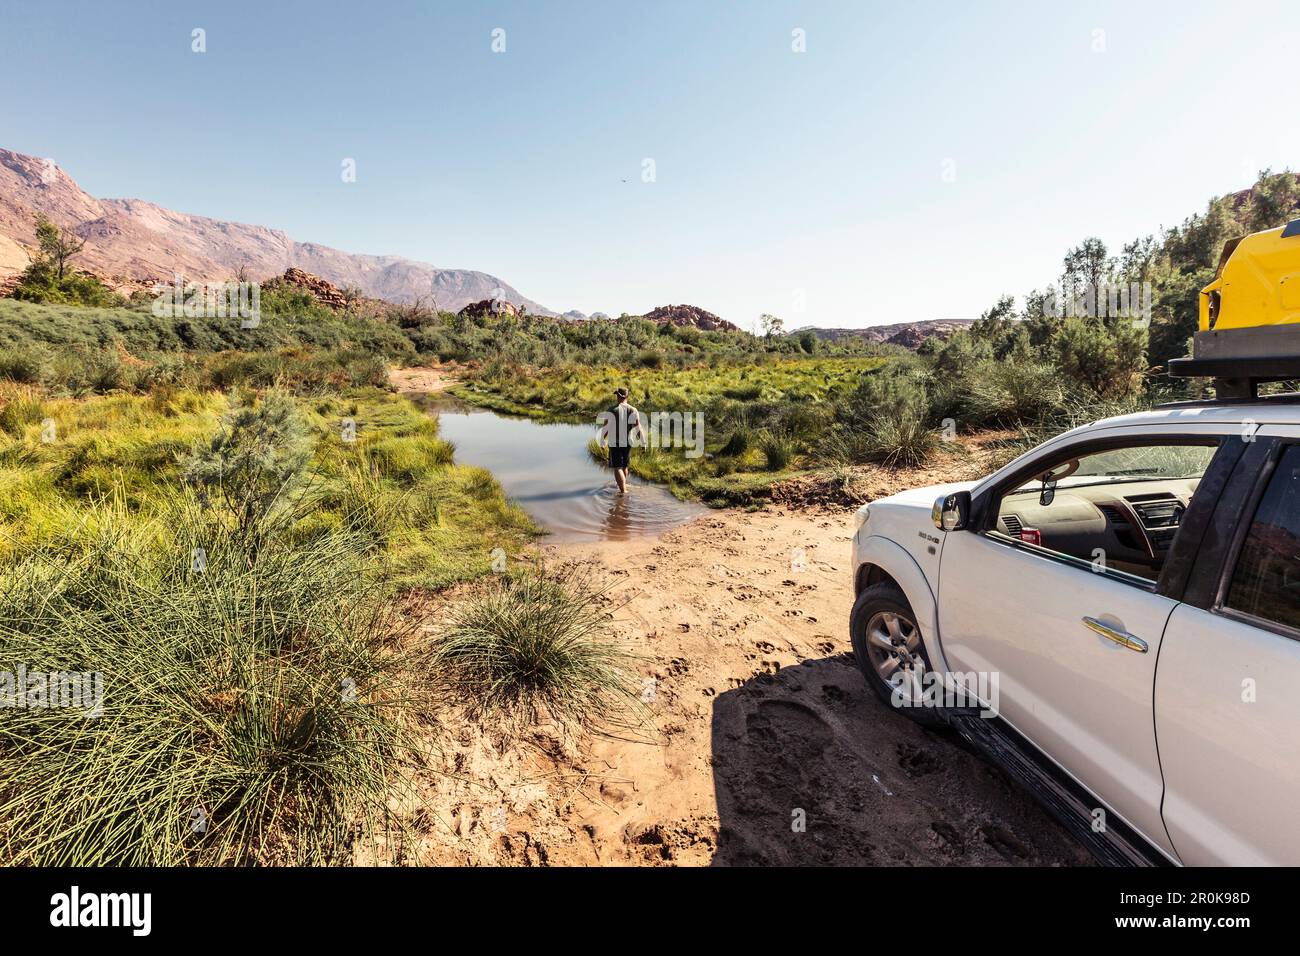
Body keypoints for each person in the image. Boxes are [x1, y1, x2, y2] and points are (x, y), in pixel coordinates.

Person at [604, 387, 642, 494]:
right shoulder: (633, 410)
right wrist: (643, 442)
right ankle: (623, 484)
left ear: (618, 396)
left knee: (617, 467)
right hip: (628, 442)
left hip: (615, 442)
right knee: (624, 465)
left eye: (617, 395)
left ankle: (623, 491)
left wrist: (602, 439)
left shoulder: (611, 410)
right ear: (627, 396)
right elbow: (638, 427)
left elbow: (606, 427)